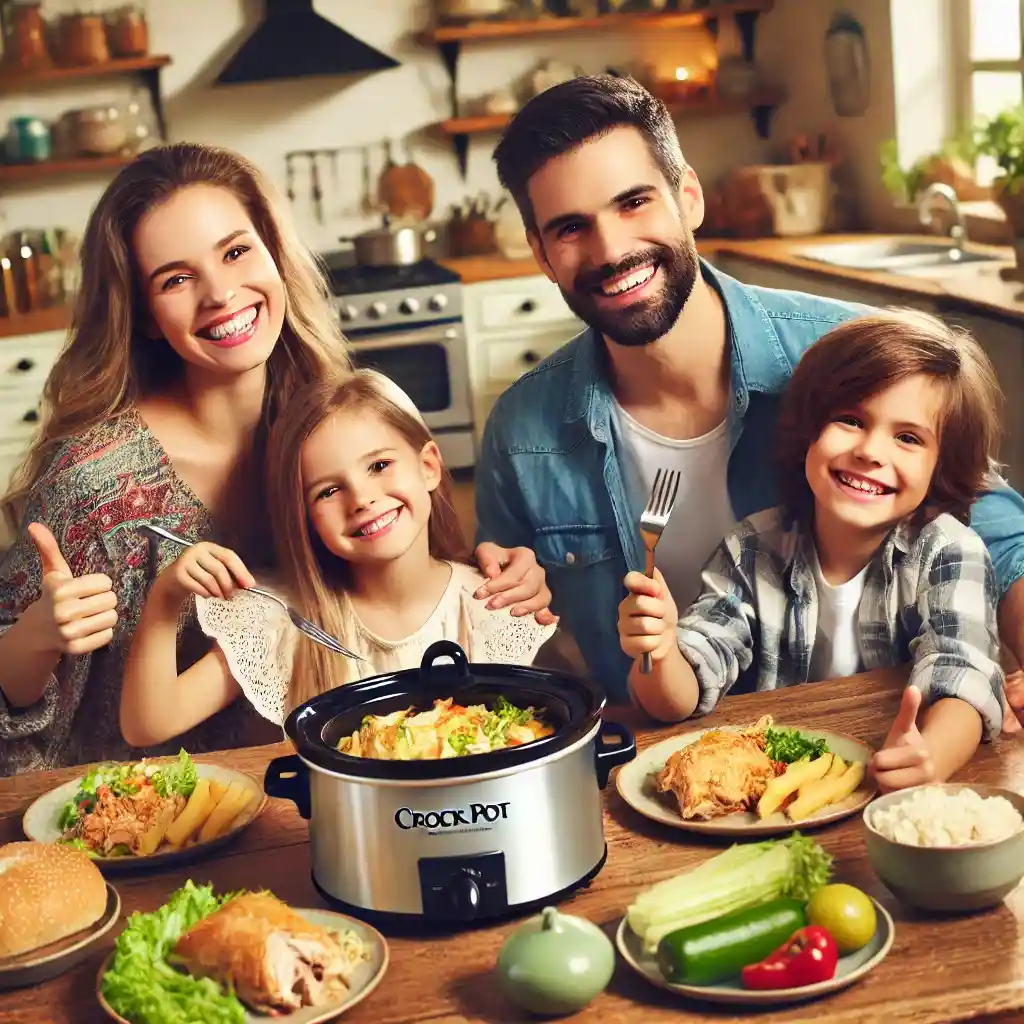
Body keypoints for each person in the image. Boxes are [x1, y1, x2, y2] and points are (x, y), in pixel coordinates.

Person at [476, 72, 1024, 707]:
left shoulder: (843, 359)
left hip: (879, 740)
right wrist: (502, 600)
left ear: (689, 198)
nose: (612, 249)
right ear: (541, 254)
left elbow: (1003, 539)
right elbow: (506, 635)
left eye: (634, 202)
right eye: (571, 228)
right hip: (652, 749)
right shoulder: (521, 432)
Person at [0, 144, 550, 775]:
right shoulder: (95, 485)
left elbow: (409, 571)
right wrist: (36, 636)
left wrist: (500, 575)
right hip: (131, 809)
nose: (221, 293)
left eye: (236, 252)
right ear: (145, 316)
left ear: (273, 256)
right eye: (176, 280)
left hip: (292, 797)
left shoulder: (326, 423)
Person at [618, 311, 1004, 790]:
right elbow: (676, 698)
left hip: (890, 791)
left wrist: (933, 757)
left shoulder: (949, 552)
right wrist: (657, 650)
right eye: (850, 420)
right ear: (808, 432)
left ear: (941, 466)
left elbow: (963, 675)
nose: (871, 451)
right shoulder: (750, 548)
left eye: (907, 438)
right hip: (769, 790)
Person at [121, 370, 558, 740]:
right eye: (328, 491)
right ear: (305, 517)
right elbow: (148, 725)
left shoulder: (496, 605)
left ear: (428, 466)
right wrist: (166, 598)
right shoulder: (285, 622)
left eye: (379, 466)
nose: (362, 498)